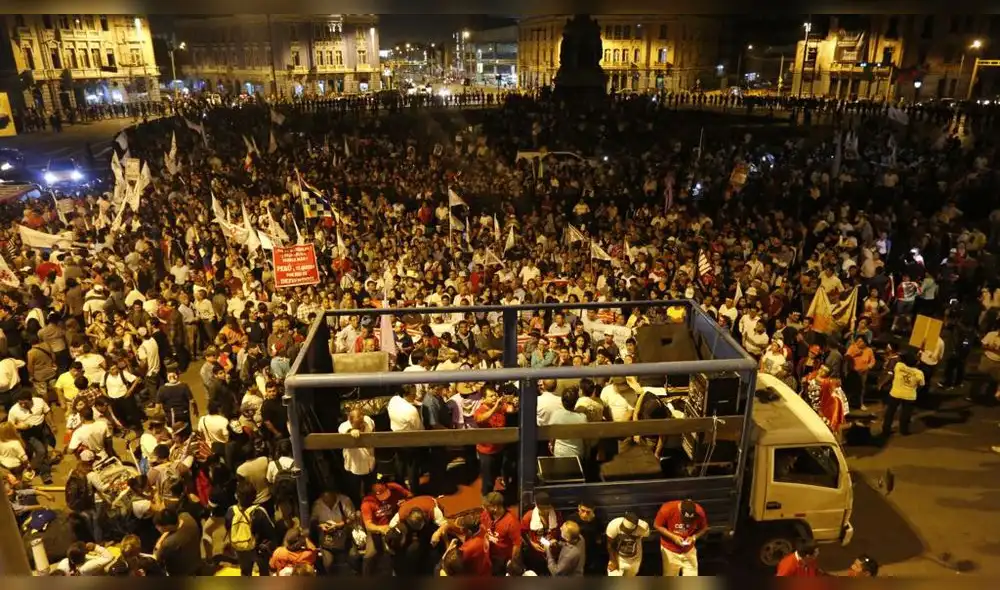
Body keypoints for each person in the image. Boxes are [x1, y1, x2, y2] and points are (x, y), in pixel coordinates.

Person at [226, 479, 276, 576]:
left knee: (245, 572)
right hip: (258, 549)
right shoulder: (259, 512)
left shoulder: (231, 511)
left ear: (237, 496)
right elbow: (270, 532)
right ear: (254, 496)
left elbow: (228, 528)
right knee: (264, 572)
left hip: (240, 548)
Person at [7, 390, 55, 484]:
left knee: (43, 452)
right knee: (41, 451)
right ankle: (30, 468)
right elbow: (10, 426)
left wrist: (52, 425)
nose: (23, 406)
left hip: (42, 428)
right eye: (20, 403)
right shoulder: (14, 410)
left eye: (25, 403)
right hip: (28, 433)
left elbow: (47, 412)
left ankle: (45, 475)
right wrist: (19, 427)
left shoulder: (39, 402)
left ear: (30, 400)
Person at [654, 499, 707, 576]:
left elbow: (704, 528)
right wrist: (673, 537)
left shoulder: (699, 512)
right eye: (685, 520)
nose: (686, 523)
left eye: (689, 520)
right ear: (680, 510)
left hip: (689, 550)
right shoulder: (667, 509)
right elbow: (657, 525)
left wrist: (694, 537)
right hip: (670, 551)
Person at [882, 352, 924, 437]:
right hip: (909, 395)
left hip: (895, 393)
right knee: (906, 413)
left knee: (890, 412)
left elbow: (897, 360)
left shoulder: (899, 366)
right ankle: (904, 430)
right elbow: (921, 385)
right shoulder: (919, 373)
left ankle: (886, 429)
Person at [153, 507, 205, 576]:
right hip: (196, 560)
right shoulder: (186, 516)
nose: (157, 528)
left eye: (158, 526)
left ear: (167, 526)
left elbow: (157, 557)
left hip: (181, 571)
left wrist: (159, 543)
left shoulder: (169, 542)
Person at [480, 491, 521, 576]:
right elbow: (483, 528)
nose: (484, 508)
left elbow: (517, 545)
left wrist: (512, 562)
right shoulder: (485, 515)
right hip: (489, 554)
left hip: (503, 558)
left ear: (495, 507)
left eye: (487, 507)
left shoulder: (511, 522)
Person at [606, 511, 650, 576]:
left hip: (635, 557)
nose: (624, 531)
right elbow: (610, 544)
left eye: (627, 531)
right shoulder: (613, 525)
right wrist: (613, 560)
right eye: (623, 528)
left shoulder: (643, 528)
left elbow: (646, 537)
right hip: (618, 557)